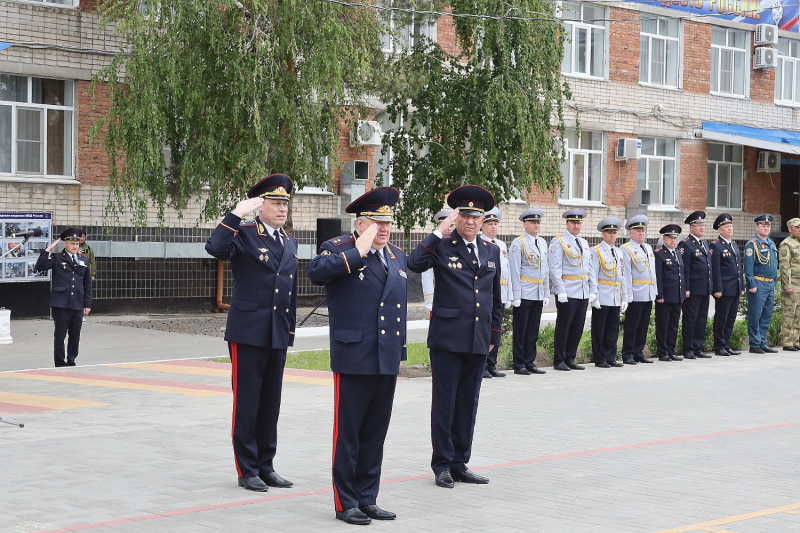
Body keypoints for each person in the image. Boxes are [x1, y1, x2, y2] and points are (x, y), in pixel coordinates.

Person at [306, 187, 406, 525]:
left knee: (375, 433)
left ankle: (368, 497)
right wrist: (359, 248)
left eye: (388, 222)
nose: (385, 228)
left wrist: (400, 350)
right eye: (377, 222)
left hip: (385, 357)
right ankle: (344, 501)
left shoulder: (395, 255)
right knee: (348, 434)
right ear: (361, 224)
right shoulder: (337, 248)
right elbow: (317, 273)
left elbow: (398, 309)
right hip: (354, 356)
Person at [204, 173, 298, 493]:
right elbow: (215, 247)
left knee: (271, 403)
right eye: (275, 202)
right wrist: (234, 213)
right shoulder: (244, 233)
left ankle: (266, 464)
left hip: (276, 332)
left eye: (285, 202)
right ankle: (247, 469)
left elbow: (289, 291)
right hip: (247, 332)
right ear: (260, 206)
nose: (282, 208)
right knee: (248, 403)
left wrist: (290, 331)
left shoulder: (288, 241)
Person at [407, 185, 502, 490]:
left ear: (483, 219)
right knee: (445, 404)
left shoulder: (491, 251)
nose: (471, 222)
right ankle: (442, 464)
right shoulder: (443, 246)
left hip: (478, 338)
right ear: (456, 218)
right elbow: (413, 264)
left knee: (467, 403)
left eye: (477, 216)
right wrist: (437, 233)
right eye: (465, 216)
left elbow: (495, 298)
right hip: (448, 339)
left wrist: (494, 336)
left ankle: (460, 462)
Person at [35, 227, 92, 367]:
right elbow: (40, 266)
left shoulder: (84, 260)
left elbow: (87, 283)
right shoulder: (57, 257)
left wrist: (87, 304)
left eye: (77, 243)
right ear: (65, 243)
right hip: (61, 303)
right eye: (72, 243)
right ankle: (60, 362)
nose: (75, 246)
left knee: (75, 335)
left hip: (77, 302)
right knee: (60, 335)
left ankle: (71, 360)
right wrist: (47, 251)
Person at [549, 208, 596, 371]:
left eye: (579, 223)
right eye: (573, 223)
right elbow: (555, 268)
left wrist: (593, 289)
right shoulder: (559, 241)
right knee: (564, 326)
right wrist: (560, 289)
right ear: (567, 223)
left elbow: (589, 267)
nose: (576, 226)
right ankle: (560, 359)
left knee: (577, 326)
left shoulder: (583, 242)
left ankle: (570, 357)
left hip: (582, 290)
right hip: (567, 291)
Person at [508, 208, 549, 375]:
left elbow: (544, 269)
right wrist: (516, 294)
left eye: (538, 222)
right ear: (525, 225)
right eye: (533, 222)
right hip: (524, 292)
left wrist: (546, 292)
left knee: (533, 329)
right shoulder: (519, 243)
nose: (536, 225)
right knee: (521, 330)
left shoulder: (543, 243)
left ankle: (529, 361)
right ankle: (519, 364)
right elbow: (514, 270)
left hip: (538, 291)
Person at [589, 217, 627, 368]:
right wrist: (595, 297)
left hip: (615, 295)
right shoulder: (596, 251)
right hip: (603, 294)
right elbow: (593, 275)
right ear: (603, 234)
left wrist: (624, 297)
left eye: (614, 233)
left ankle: (610, 356)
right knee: (600, 328)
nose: (612, 235)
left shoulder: (618, 252)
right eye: (609, 232)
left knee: (612, 327)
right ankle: (600, 358)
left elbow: (622, 276)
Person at [677, 211, 713, 359]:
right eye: (698, 225)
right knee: (690, 319)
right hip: (692, 290)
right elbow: (684, 269)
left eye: (703, 225)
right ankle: (688, 349)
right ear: (691, 227)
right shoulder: (685, 244)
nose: (702, 228)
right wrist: (686, 288)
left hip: (704, 289)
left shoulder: (704, 243)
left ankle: (698, 347)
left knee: (701, 319)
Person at [480, 207, 512, 378]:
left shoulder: (501, 245)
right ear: (482, 226)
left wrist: (509, 294)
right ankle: (483, 364)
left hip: (501, 291)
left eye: (495, 224)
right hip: (487, 294)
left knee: (496, 328)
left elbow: (507, 270)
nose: (493, 227)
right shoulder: (481, 244)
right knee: (485, 328)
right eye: (489, 224)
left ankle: (492, 364)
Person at [621, 215, 657, 365]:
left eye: (643, 230)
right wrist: (627, 295)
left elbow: (651, 271)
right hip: (635, 293)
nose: (641, 233)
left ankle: (638, 351)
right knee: (632, 325)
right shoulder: (626, 248)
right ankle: (628, 353)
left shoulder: (648, 248)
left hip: (647, 293)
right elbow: (626, 274)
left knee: (643, 325)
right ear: (631, 233)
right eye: (638, 231)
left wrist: (654, 291)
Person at [744, 214, 779, 354]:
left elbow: (774, 264)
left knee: (766, 315)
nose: (766, 227)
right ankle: (754, 343)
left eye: (768, 225)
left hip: (770, 284)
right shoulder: (752, 244)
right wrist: (751, 283)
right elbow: (748, 267)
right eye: (763, 225)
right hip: (758, 283)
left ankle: (762, 341)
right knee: (755, 314)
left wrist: (775, 281)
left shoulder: (771, 243)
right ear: (757, 227)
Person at [710, 213, 744, 356]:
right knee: (721, 318)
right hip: (724, 289)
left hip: (735, 288)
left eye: (730, 226)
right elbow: (715, 269)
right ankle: (719, 346)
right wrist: (717, 288)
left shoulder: (734, 244)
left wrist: (741, 286)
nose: (729, 229)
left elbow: (738, 267)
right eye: (726, 227)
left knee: (731, 318)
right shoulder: (716, 246)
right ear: (720, 230)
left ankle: (727, 344)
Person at [654, 224, 686, 362]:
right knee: (663, 325)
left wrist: (683, 292)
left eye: (675, 238)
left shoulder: (678, 253)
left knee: (673, 325)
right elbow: (658, 276)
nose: (673, 240)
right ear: (664, 239)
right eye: (670, 238)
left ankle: (671, 350)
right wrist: (659, 294)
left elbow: (681, 275)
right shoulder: (659, 254)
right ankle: (663, 352)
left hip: (677, 295)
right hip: (665, 296)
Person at [422, 209, 453, 316]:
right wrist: (430, 299)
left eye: (451, 226)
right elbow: (427, 274)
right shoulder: (434, 245)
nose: (448, 229)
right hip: (439, 296)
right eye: (445, 225)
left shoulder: (458, 245)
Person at [779, 218, 800, 351]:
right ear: (790, 229)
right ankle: (787, 341)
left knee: (798, 314)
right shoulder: (786, 244)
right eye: (797, 227)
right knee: (789, 313)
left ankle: (796, 340)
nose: (799, 229)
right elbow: (784, 266)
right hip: (792, 284)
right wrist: (787, 285)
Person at [78, 234, 96, 323]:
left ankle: (82, 313)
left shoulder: (88, 248)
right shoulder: (74, 247)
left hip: (86, 274)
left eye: (83, 237)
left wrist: (92, 274)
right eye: (80, 237)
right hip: (77, 275)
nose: (82, 239)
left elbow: (92, 261)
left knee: (85, 293)